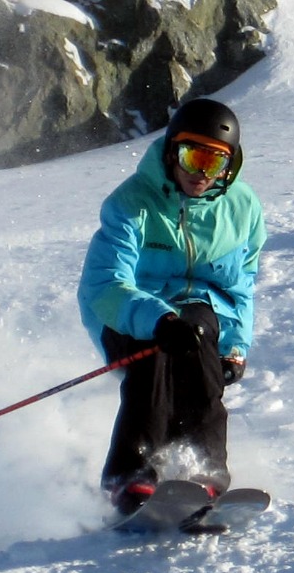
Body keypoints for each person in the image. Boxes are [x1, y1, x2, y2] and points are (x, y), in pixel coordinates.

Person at [76, 97, 266, 515]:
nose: (200, 173)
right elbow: (105, 285)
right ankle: (129, 474)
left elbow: (240, 285)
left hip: (197, 316)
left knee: (197, 330)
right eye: (192, 156)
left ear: (229, 167)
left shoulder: (242, 208)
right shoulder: (130, 203)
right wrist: (157, 319)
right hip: (126, 314)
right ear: (171, 151)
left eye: (213, 163)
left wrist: (235, 346)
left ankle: (203, 469)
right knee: (160, 349)